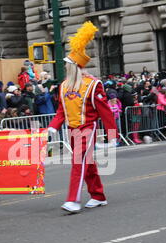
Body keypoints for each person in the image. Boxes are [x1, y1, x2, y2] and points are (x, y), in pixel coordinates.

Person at [47, 21, 118, 214]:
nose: (65, 67)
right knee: (87, 163)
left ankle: (73, 200)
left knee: (78, 162)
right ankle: (98, 195)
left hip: (88, 128)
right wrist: (53, 126)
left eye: (68, 64)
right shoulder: (64, 86)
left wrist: (112, 136)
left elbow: (105, 112)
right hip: (71, 129)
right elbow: (62, 110)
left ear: (75, 66)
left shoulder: (93, 85)